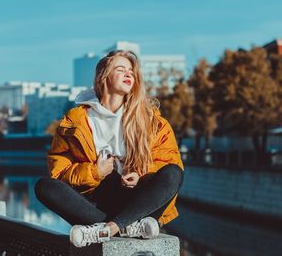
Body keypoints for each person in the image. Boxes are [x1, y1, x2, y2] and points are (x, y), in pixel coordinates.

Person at [35, 50, 184, 247]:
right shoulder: (75, 121)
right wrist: (94, 172)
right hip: (96, 201)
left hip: (139, 202)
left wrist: (141, 175)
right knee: (44, 186)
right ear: (103, 76)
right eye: (121, 69)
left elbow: (168, 160)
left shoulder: (151, 120)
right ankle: (124, 227)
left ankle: (108, 229)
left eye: (131, 71)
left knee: (174, 172)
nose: (128, 74)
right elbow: (59, 171)